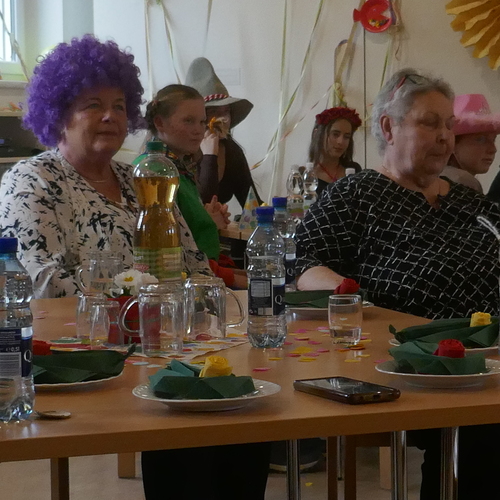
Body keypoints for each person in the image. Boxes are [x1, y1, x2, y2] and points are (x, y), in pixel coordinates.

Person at [295, 68, 500, 499]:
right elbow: (302, 261)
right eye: (430, 123)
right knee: (485, 438)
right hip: (413, 364)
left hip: (490, 359)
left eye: (449, 125)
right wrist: (345, 293)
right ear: (389, 128)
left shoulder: (470, 202)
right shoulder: (357, 194)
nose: (444, 137)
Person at [0, 35, 211, 298]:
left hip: (163, 319)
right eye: (94, 105)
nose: (110, 116)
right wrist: (132, 304)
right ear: (59, 115)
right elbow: (42, 283)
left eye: (119, 107)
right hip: (78, 324)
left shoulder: (142, 179)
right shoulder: (31, 180)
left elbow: (194, 263)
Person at [143, 84, 247, 289]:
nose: (199, 130)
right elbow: (173, 258)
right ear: (159, 122)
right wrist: (237, 279)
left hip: (206, 274)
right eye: (188, 121)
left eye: (201, 121)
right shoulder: (155, 173)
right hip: (184, 285)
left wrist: (207, 220)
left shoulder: (179, 168)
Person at [185, 57, 262, 207]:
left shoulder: (231, 150)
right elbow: (202, 204)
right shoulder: (180, 155)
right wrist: (209, 156)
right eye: (213, 111)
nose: (223, 119)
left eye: (226, 111)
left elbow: (251, 202)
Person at [441, 93, 500, 193]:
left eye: (493, 139)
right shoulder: (462, 182)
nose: (493, 149)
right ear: (452, 143)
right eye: (481, 139)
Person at [307, 106, 362, 198]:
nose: (341, 141)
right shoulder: (307, 176)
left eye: (346, 137)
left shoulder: (353, 170)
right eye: (335, 134)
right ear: (317, 134)